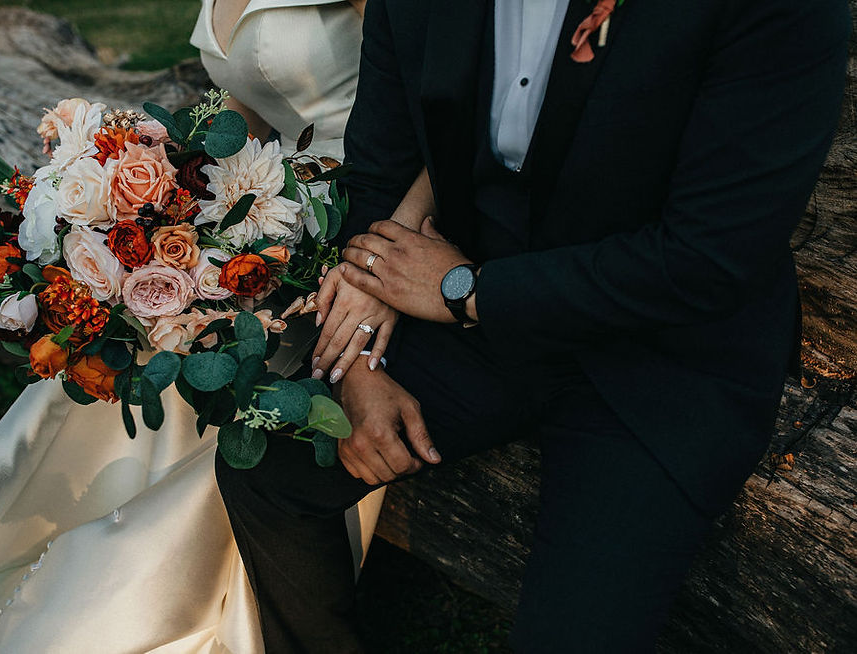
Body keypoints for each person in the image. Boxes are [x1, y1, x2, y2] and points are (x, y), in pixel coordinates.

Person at [215, 0, 852, 652]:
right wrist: (357, 364)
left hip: (660, 351)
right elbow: (382, 160)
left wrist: (468, 291)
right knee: (266, 469)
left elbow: (708, 260)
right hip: (472, 289)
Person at [0, 2, 390, 652]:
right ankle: (38, 544)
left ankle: (146, 594)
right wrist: (164, 185)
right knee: (142, 323)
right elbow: (249, 105)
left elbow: (422, 89)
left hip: (350, 222)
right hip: (258, 199)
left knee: (201, 344)